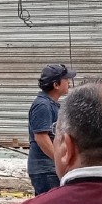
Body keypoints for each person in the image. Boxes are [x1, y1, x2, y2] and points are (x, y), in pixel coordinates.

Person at [27, 63, 76, 195]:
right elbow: (41, 138)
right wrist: (59, 160)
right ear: (56, 84)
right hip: (45, 170)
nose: (69, 83)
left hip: (50, 169)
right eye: (66, 79)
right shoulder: (42, 105)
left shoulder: (52, 104)